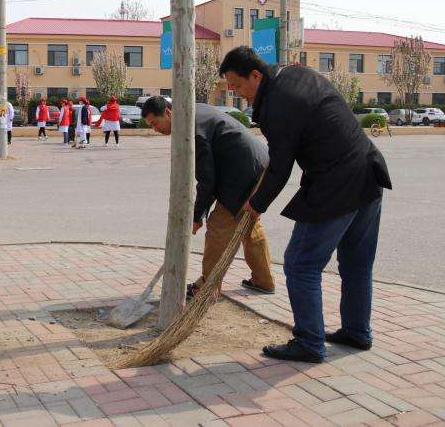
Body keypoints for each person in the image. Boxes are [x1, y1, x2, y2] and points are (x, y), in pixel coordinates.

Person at [220, 46, 392, 363]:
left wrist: (255, 204)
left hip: (338, 183)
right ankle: (357, 332)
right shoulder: (295, 73)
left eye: (237, 84)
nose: (235, 92)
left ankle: (309, 343)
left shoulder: (277, 104)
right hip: (368, 171)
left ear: (255, 76)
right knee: (356, 263)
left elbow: (280, 167)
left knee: (300, 264)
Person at [141, 96, 275, 302]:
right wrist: (198, 214)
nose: (154, 129)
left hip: (243, 174)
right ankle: (263, 281)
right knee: (250, 226)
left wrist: (197, 216)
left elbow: (207, 181)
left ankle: (207, 287)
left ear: (168, 113)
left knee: (218, 228)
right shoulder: (194, 111)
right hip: (259, 165)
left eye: (155, 123)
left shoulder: (193, 131)